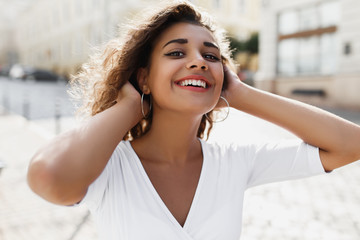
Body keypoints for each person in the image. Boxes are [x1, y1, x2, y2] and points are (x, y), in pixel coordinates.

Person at [27, 1, 360, 239]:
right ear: (143, 77)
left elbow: (350, 145)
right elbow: (47, 177)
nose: (198, 62)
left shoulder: (235, 161)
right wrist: (130, 108)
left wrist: (241, 94)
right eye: (176, 52)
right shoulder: (109, 167)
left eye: (211, 56)